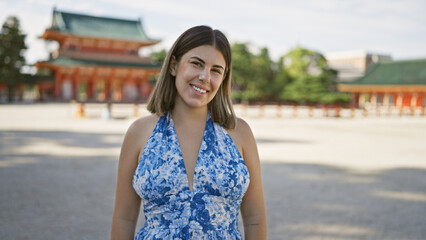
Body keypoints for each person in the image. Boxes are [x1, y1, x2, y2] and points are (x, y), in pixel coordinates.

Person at [110, 25, 267, 240]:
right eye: (196, 63)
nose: (204, 76)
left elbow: (255, 218)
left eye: (216, 70)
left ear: (223, 78)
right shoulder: (139, 132)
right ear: (174, 66)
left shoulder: (239, 133)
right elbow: (123, 219)